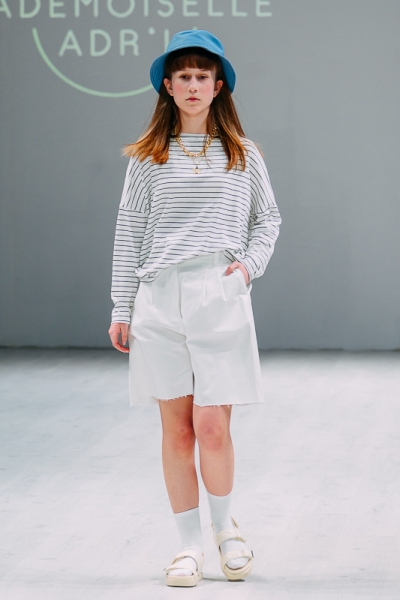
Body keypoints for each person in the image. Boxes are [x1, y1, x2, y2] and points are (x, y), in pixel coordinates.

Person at [108, 29, 281, 587]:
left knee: (212, 427)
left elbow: (267, 220)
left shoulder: (243, 154)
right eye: (182, 76)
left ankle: (226, 529)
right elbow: (130, 232)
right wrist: (121, 306)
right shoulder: (147, 157)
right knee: (177, 432)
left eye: (202, 76)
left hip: (219, 293)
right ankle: (188, 546)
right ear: (167, 85)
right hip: (159, 297)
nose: (192, 85)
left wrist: (247, 268)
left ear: (218, 85)